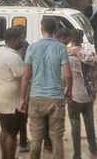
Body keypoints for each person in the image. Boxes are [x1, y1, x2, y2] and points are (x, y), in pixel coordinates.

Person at [18, 18, 72, 159]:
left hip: (36, 98)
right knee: (57, 138)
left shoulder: (32, 48)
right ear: (55, 30)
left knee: (36, 138)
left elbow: (25, 76)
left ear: (41, 29)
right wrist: (69, 90)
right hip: (56, 98)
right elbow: (68, 74)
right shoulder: (61, 48)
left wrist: (23, 99)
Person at [0, 28, 25, 159]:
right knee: (12, 134)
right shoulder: (14, 58)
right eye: (21, 38)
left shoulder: (0, 52)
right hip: (12, 102)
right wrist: (24, 99)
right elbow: (22, 79)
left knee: (5, 130)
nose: (22, 41)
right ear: (13, 40)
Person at [67, 29, 97, 159]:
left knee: (75, 125)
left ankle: (76, 154)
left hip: (74, 96)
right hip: (87, 95)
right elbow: (95, 74)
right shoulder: (89, 54)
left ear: (70, 38)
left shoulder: (66, 54)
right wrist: (94, 90)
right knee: (90, 122)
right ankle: (93, 148)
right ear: (81, 39)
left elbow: (64, 76)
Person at [15, 26, 31, 153]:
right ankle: (23, 142)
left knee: (18, 115)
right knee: (22, 115)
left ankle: (20, 141)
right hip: (23, 84)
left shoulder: (9, 48)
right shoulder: (25, 46)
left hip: (17, 84)